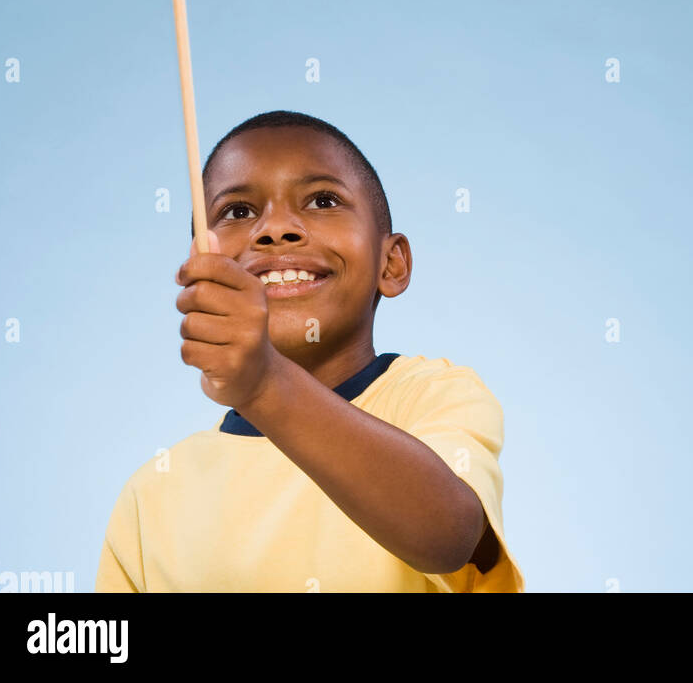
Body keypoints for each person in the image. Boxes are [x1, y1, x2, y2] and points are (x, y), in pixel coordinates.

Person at [95, 110, 523, 593]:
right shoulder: (151, 494)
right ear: (199, 268)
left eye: (323, 201)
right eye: (238, 212)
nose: (276, 229)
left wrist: (264, 383)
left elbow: (447, 535)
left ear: (393, 262)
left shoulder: (436, 397)